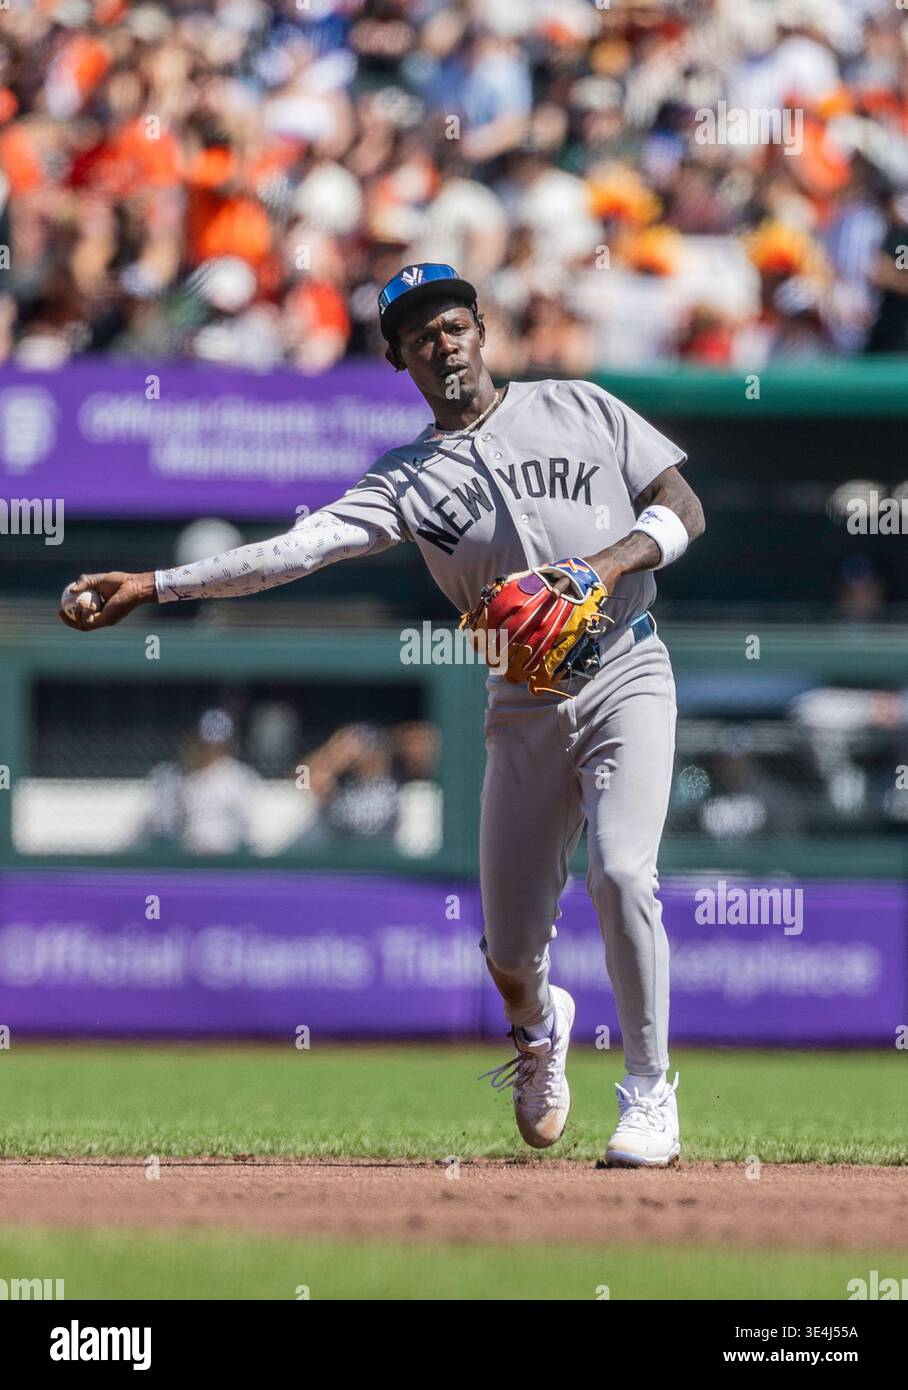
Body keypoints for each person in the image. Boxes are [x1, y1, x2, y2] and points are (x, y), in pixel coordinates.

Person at [59, 262, 705, 1168]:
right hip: (521, 702)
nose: (442, 345)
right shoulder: (404, 478)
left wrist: (601, 566)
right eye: (418, 336)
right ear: (398, 359)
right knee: (513, 951)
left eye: (452, 325)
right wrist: (154, 584)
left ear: (483, 328)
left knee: (623, 874)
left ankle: (648, 1094)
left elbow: (682, 507)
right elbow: (295, 552)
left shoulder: (580, 406)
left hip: (625, 667)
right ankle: (538, 1030)